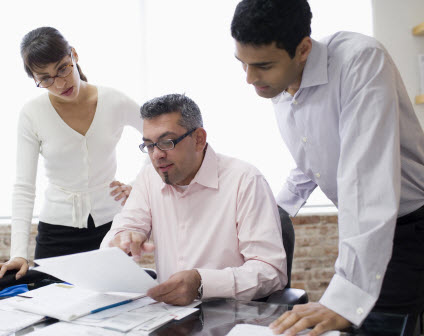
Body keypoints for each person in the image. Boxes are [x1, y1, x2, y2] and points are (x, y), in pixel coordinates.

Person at [231, 1, 424, 335]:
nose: (249, 78)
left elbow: (366, 182)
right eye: (242, 64)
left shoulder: (360, 61)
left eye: (262, 65)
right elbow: (312, 164)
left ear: (303, 48)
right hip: (367, 228)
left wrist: (342, 300)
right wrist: (273, 215)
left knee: (374, 327)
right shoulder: (280, 84)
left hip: (409, 226)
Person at [101, 93, 287, 304]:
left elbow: (271, 272)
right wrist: (124, 238)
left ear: (199, 139)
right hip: (168, 317)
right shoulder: (149, 177)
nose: (156, 155)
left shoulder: (245, 180)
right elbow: (123, 229)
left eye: (166, 142)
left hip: (230, 317)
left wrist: (202, 283)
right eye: (149, 145)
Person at [0, 27, 142, 280]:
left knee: (116, 310)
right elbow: (23, 186)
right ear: (35, 79)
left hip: (111, 228)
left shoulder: (114, 101)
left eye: (63, 68)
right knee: (52, 310)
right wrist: (19, 253)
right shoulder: (32, 114)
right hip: (56, 234)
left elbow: (163, 140)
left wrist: (138, 186)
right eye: (45, 79)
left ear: (74, 55)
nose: (60, 83)